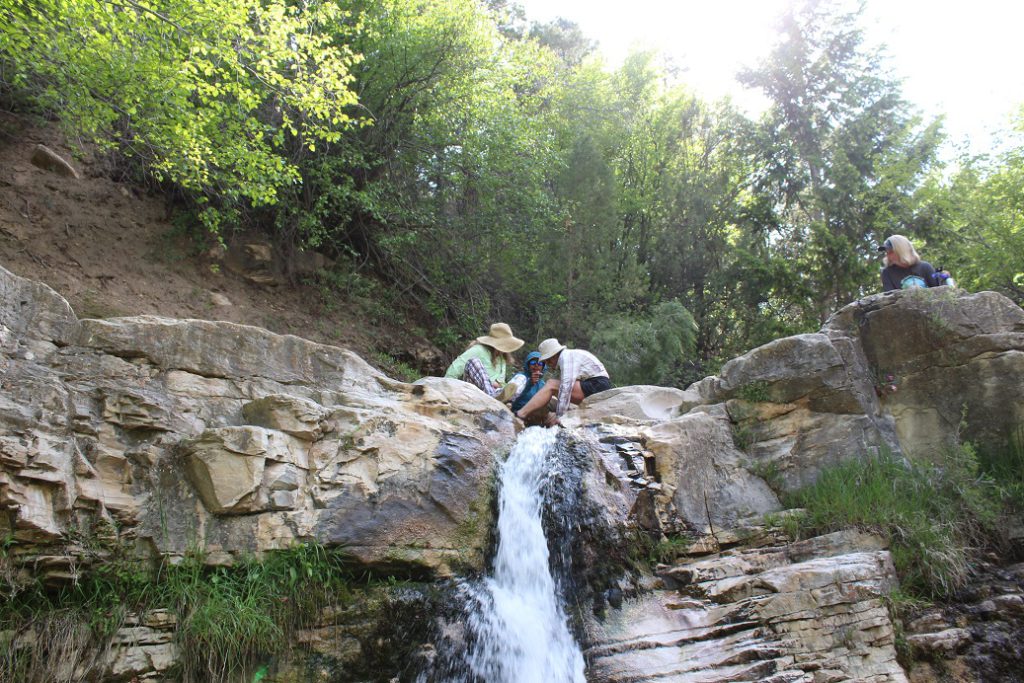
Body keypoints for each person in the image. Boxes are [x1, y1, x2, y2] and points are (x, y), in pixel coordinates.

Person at [514, 338, 612, 426]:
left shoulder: (565, 357)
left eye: (547, 361)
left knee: (551, 384)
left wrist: (560, 417)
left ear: (552, 356)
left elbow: (566, 388)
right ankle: (536, 418)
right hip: (596, 386)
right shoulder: (570, 356)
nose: (548, 365)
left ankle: (520, 414)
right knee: (554, 390)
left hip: (597, 385)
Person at [444, 323, 524, 397]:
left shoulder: (502, 358)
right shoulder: (479, 350)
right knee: (474, 362)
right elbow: (453, 370)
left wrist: (499, 386)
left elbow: (501, 383)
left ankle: (503, 398)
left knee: (521, 378)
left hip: (495, 391)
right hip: (475, 391)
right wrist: (447, 391)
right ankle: (492, 395)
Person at [879, 235, 950, 292]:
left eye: (891, 252)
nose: (888, 256)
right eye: (887, 253)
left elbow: (940, 290)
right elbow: (890, 299)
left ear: (902, 251)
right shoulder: (887, 273)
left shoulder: (925, 267)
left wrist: (943, 277)